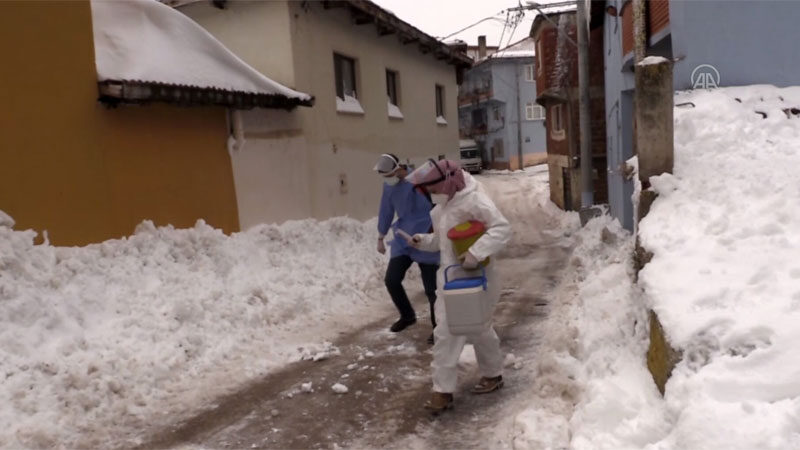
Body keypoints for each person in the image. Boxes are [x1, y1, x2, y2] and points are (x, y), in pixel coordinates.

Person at [406, 158, 511, 413]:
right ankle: (449, 389)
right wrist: (424, 241)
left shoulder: (474, 200)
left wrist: (476, 252)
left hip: (476, 278)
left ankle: (483, 378)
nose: (431, 195)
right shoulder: (446, 205)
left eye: (432, 189)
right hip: (452, 279)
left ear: (446, 181)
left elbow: (501, 229)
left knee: (473, 329)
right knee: (450, 331)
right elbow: (444, 243)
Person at [374, 153, 440, 344]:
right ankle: (407, 315)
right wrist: (381, 235)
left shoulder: (419, 182)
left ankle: (439, 328)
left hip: (427, 238)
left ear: (397, 169)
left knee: (432, 289)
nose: (387, 179)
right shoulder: (389, 186)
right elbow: (386, 209)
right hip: (404, 238)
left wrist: (437, 230)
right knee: (391, 280)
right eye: (384, 176)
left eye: (389, 175)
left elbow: (438, 205)